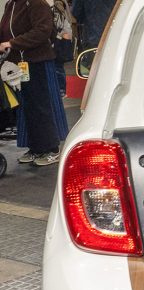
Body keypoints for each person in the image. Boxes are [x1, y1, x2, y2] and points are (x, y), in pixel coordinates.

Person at [0, 0, 68, 166]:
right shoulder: (11, 4)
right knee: (26, 108)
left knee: (42, 107)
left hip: (37, 62)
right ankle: (36, 147)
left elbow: (42, 31)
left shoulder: (36, 3)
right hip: (18, 65)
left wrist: (12, 43)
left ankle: (52, 149)